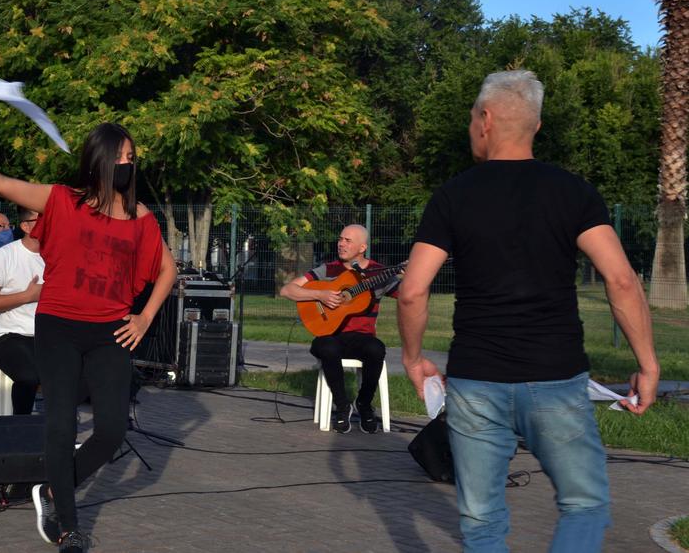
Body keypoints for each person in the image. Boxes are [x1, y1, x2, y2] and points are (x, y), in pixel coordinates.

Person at [397, 70, 659, 552]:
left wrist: (413, 360)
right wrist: (647, 363)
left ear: (486, 119)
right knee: (583, 504)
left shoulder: (453, 196)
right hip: (557, 379)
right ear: (535, 127)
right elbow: (621, 280)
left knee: (482, 519)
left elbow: (413, 291)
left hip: (476, 381)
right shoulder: (573, 193)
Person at [0, 116, 177, 553]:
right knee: (61, 425)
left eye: (132, 158)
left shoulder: (140, 215)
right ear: (100, 160)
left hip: (110, 330)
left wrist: (144, 319)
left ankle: (50, 490)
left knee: (111, 429)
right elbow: (0, 182)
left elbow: (167, 271)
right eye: (121, 157)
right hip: (59, 328)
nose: (128, 164)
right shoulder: (63, 200)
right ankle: (69, 526)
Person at [279, 224, 397, 434]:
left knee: (376, 349)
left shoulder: (379, 272)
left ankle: (364, 403)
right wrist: (320, 295)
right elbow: (287, 290)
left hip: (362, 338)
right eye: (340, 239)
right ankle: (342, 406)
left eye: (347, 241)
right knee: (328, 348)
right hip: (330, 335)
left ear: (362, 247)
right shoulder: (328, 269)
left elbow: (409, 296)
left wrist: (412, 277)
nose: (341, 244)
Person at [0, 207, 43, 415]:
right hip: (9, 336)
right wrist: (28, 296)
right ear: (26, 226)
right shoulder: (7, 254)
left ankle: (61, 433)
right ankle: (20, 429)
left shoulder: (56, 255)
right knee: (29, 377)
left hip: (46, 335)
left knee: (81, 371)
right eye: (41, 220)